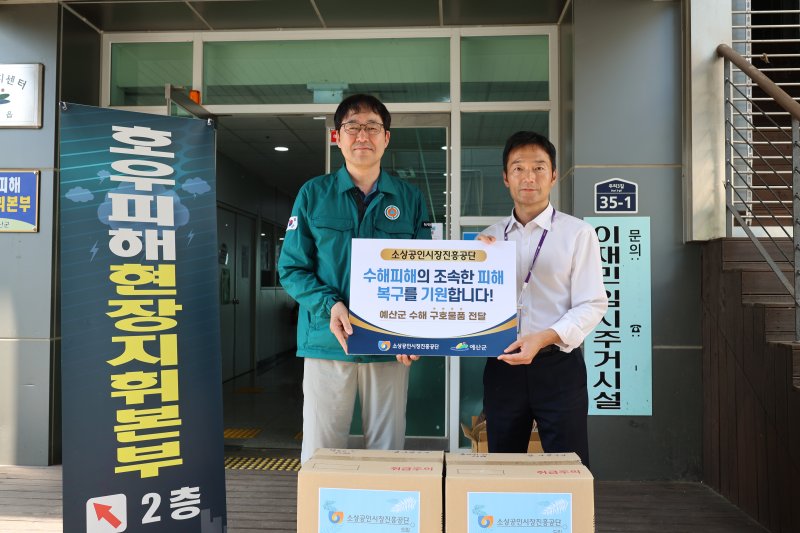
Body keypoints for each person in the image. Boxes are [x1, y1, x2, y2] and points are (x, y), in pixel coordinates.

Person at [278, 94, 431, 464]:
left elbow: (425, 272)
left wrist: (414, 331)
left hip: (388, 344)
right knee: (322, 450)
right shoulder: (313, 194)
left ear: (386, 138)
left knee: (388, 450)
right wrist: (330, 305)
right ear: (337, 137)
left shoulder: (409, 198)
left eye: (372, 127)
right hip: (328, 340)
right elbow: (292, 268)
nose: (363, 135)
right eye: (353, 127)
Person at [476, 131, 607, 467]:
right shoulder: (488, 239)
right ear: (505, 178)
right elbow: (466, 303)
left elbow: (592, 303)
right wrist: (473, 263)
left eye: (538, 167)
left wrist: (544, 337)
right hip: (502, 366)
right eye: (518, 168)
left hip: (557, 367)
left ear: (553, 175)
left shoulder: (578, 233)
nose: (528, 177)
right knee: (504, 467)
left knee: (568, 467)